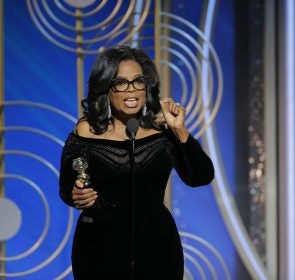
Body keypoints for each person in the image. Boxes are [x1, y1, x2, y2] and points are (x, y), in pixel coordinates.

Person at [58, 45, 214, 279]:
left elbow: (200, 176)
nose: (131, 90)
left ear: (147, 86)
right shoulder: (87, 130)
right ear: (107, 89)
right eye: (120, 83)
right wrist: (75, 195)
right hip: (99, 250)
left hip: (158, 250)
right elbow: (67, 186)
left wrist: (181, 132)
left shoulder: (164, 133)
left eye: (138, 82)